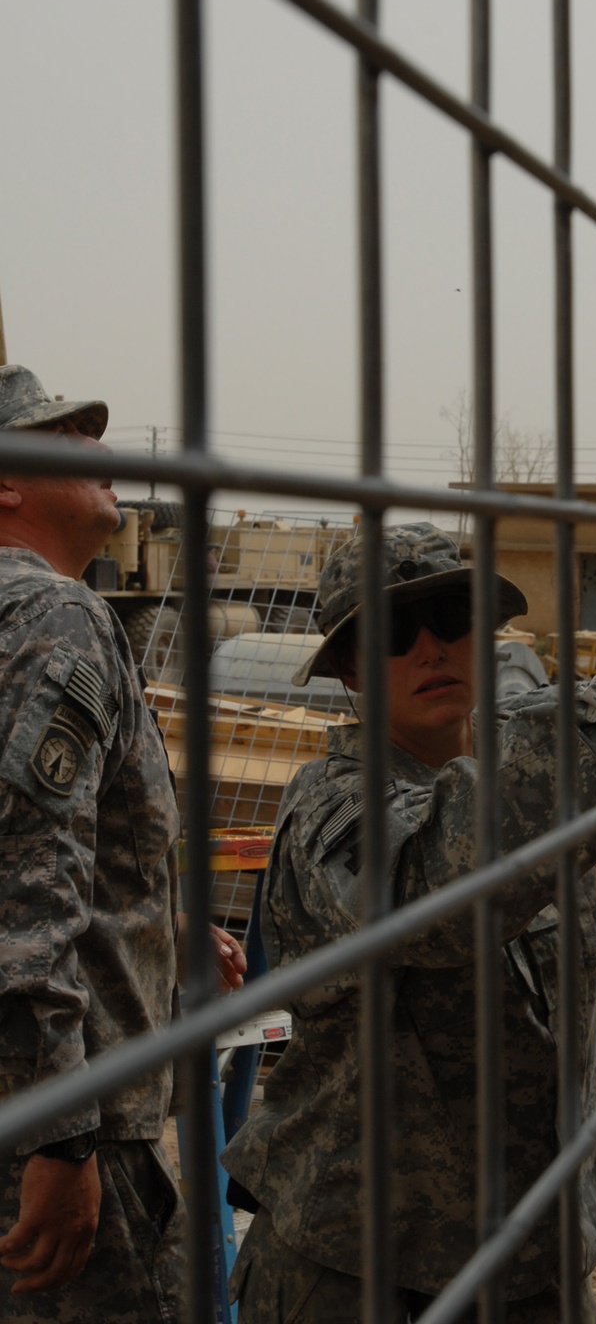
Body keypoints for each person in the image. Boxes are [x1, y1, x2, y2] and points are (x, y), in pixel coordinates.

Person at [222, 521, 596, 1323]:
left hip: (532, 1263)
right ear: (347, 670)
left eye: (451, 617)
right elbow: (459, 869)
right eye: (390, 632)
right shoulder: (330, 809)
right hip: (366, 1274)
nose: (429, 650)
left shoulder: (516, 760)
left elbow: (587, 726)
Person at [0, 363, 246, 1323]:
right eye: (67, 438)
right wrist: (61, 1143)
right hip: (62, 1118)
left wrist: (159, 927)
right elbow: (21, 896)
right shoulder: (55, 617)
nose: (101, 451)